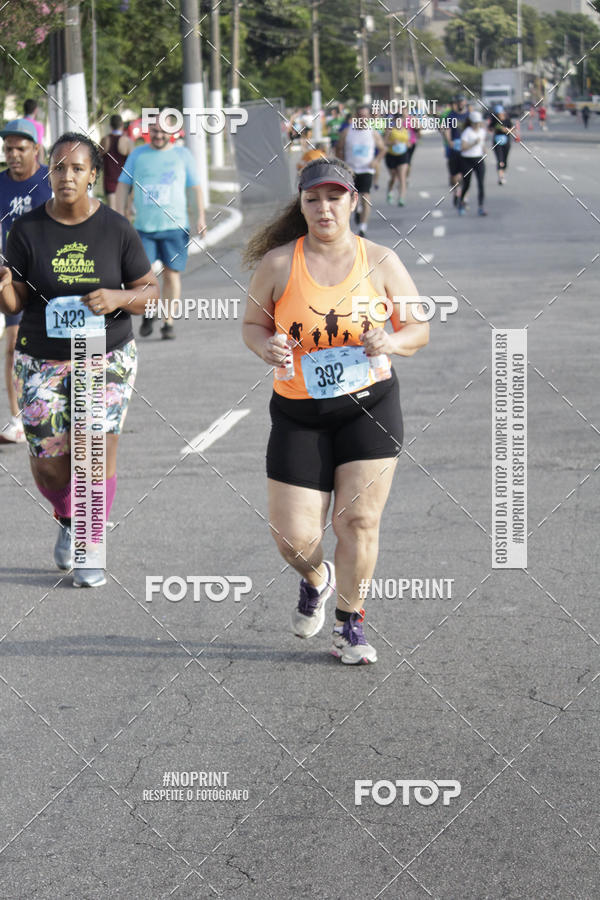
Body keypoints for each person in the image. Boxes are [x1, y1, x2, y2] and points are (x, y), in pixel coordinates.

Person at [242, 157, 429, 664]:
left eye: (335, 197)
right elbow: (253, 326)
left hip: (369, 407)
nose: (324, 208)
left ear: (353, 201)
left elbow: (419, 329)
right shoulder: (279, 264)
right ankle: (315, 578)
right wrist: (265, 347)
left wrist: (392, 341)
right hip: (299, 412)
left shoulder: (381, 261)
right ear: (301, 205)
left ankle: (350, 624)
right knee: (294, 540)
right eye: (314, 199)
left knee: (359, 522)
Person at [0, 132, 160, 587]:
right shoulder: (26, 229)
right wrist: (3, 287)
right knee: (49, 463)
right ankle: (68, 517)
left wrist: (118, 297)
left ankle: (90, 544)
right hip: (42, 357)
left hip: (102, 352)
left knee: (92, 448)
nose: (66, 176)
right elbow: (15, 302)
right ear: (48, 173)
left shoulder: (115, 228)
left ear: (92, 175)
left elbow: (151, 293)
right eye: (58, 167)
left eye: (76, 168)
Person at [115, 113, 206, 340]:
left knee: (172, 274)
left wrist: (200, 217)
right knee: (143, 277)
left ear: (172, 133)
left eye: (163, 131)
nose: (158, 135)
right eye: (154, 131)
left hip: (175, 226)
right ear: (149, 132)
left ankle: (168, 322)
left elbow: (195, 188)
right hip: (144, 228)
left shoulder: (183, 155)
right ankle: (149, 311)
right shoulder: (138, 155)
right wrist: (119, 215)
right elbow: (122, 185)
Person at [0, 118, 52, 444]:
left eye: (20, 148)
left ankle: (53, 409)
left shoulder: (51, 181)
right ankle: (17, 419)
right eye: (8, 149)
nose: (13, 154)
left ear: (36, 149)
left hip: (52, 277)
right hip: (13, 277)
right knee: (13, 346)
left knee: (53, 346)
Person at [336, 105, 384, 237]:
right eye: (360, 116)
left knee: (365, 196)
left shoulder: (372, 133)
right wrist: (343, 164)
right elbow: (338, 148)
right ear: (355, 117)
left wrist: (376, 161)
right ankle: (356, 211)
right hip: (350, 170)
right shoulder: (347, 132)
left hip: (366, 169)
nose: (362, 119)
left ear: (369, 118)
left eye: (365, 116)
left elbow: (383, 149)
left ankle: (363, 227)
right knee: (350, 197)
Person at [100, 114, 133, 209]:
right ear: (122, 125)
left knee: (113, 213)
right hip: (125, 182)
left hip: (110, 181)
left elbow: (97, 159)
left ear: (110, 126)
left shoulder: (105, 140)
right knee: (124, 213)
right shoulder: (127, 141)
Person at [458, 110, 487, 217]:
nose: (477, 125)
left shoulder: (482, 131)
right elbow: (463, 148)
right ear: (471, 122)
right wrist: (474, 143)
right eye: (475, 123)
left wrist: (484, 149)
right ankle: (461, 203)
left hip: (479, 159)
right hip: (467, 159)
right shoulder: (467, 132)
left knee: (481, 184)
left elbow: (482, 144)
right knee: (467, 184)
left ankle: (481, 207)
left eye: (478, 123)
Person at [443, 96, 468, 206]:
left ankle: (463, 196)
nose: (461, 104)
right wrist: (449, 141)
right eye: (459, 102)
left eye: (462, 102)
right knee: (454, 174)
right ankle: (456, 191)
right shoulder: (451, 116)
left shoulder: (468, 116)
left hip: (466, 148)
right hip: (454, 148)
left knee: (465, 173)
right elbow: (447, 130)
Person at [384, 116, 411, 206]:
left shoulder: (405, 130)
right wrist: (392, 143)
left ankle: (401, 198)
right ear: (394, 121)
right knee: (393, 177)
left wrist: (408, 144)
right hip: (391, 155)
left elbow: (408, 142)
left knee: (402, 177)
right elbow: (384, 142)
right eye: (397, 120)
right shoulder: (390, 129)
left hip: (403, 155)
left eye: (401, 120)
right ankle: (390, 191)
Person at [488, 105, 513, 185]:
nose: (499, 115)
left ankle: (503, 173)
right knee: (499, 160)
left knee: (505, 161)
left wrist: (505, 130)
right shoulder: (494, 120)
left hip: (506, 141)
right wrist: (494, 128)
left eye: (500, 113)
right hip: (497, 142)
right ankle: (500, 177)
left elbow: (512, 129)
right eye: (497, 113)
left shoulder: (507, 120)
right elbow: (490, 128)